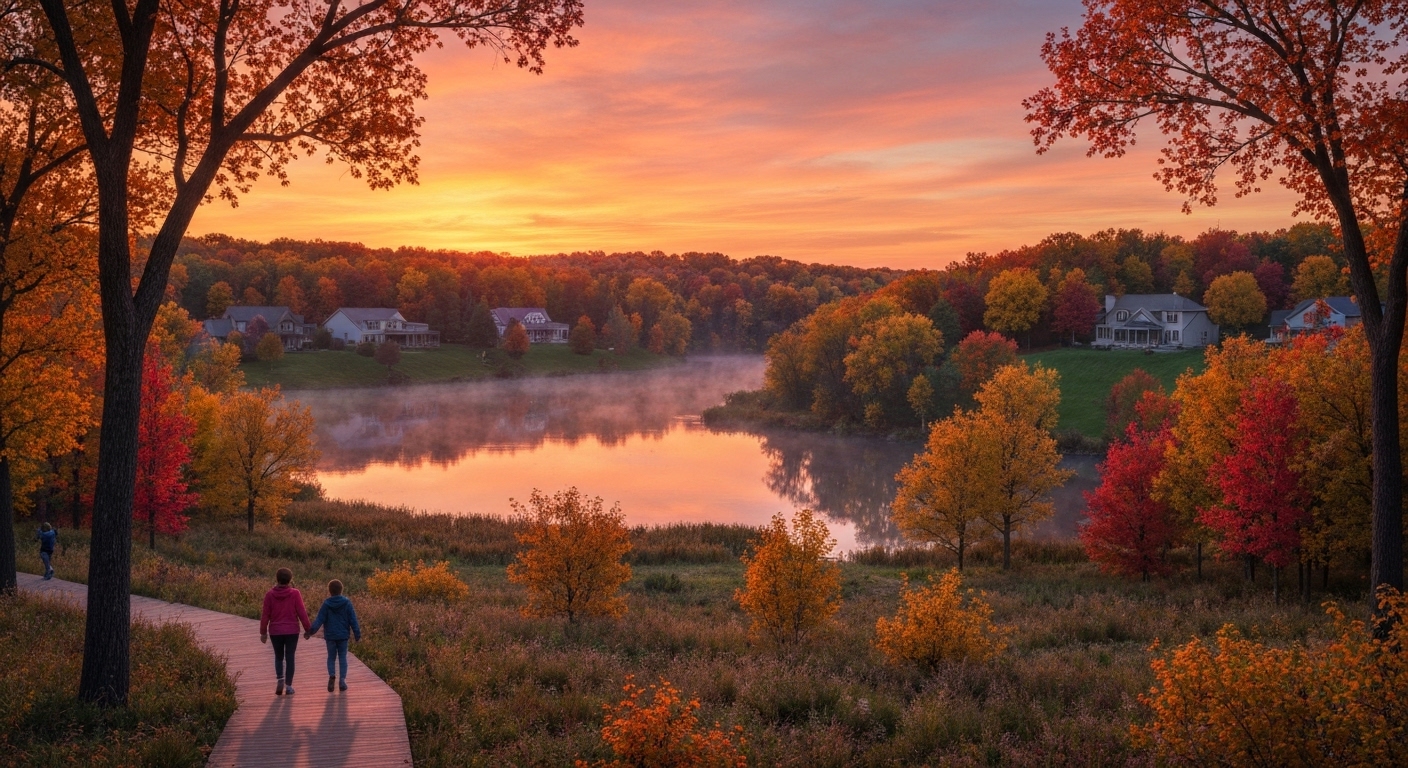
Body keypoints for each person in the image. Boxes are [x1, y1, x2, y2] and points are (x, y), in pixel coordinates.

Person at [259, 567, 311, 695]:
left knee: (278, 656)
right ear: (290, 579)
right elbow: (301, 612)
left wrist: (263, 632)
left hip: (275, 631)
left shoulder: (270, 595)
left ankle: (280, 679)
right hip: (292, 630)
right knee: (290, 657)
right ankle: (288, 686)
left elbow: (265, 615)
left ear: (277, 579)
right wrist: (308, 629)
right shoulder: (295, 593)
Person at [306, 579, 362, 692]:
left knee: (331, 657)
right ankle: (342, 681)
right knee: (342, 657)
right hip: (343, 636)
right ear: (341, 590)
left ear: (329, 590)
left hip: (330, 636)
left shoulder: (326, 604)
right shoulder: (347, 603)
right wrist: (357, 634)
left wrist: (311, 631)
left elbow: (319, 619)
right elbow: (353, 620)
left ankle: (332, 675)